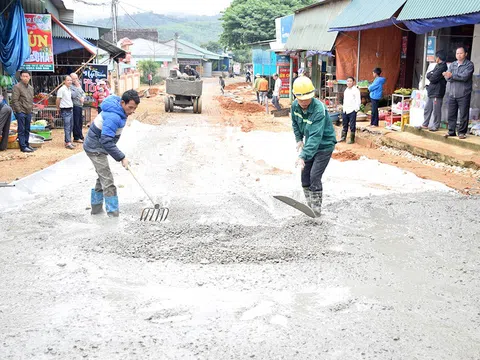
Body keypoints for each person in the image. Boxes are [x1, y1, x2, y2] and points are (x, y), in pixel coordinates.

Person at [83, 90, 140, 217]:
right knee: (108, 181)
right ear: (122, 103)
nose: (131, 111)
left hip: (99, 146)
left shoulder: (119, 110)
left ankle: (96, 210)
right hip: (95, 148)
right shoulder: (113, 117)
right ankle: (113, 215)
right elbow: (107, 141)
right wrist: (122, 157)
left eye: (134, 108)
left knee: (102, 177)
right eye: (130, 107)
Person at [291, 76, 336, 216]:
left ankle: (316, 210)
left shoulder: (319, 109)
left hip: (324, 146)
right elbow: (295, 123)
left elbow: (316, 136)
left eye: (307, 98)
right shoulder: (294, 106)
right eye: (301, 98)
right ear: (295, 96)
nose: (304, 102)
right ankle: (309, 206)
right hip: (310, 143)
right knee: (304, 177)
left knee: (314, 176)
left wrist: (303, 155)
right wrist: (299, 139)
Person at [443, 46, 475, 139]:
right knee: (451, 114)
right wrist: (449, 76)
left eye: (461, 53)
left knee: (463, 114)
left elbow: (465, 77)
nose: (459, 55)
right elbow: (447, 77)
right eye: (457, 53)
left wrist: (451, 75)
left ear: (466, 54)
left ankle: (461, 132)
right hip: (452, 93)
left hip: (464, 93)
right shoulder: (452, 64)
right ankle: (451, 131)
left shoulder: (469, 65)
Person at [421, 50, 447, 132]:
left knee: (436, 110)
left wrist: (432, 74)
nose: (435, 58)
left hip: (437, 92)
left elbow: (433, 78)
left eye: (436, 57)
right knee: (427, 108)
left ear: (438, 58)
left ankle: (436, 125)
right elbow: (428, 74)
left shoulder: (443, 67)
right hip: (432, 91)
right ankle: (425, 124)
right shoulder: (437, 66)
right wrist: (432, 74)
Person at [11, 70, 35, 153]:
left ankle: (27, 144)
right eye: (23, 76)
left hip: (28, 111)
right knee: (21, 129)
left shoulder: (31, 88)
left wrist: (31, 108)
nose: (25, 78)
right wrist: (19, 111)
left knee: (27, 129)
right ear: (21, 77)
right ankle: (23, 146)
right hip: (21, 111)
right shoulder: (17, 87)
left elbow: (30, 99)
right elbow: (14, 100)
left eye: (27, 76)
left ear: (29, 77)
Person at [56, 75, 75, 149]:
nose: (70, 81)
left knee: (70, 126)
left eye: (70, 80)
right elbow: (58, 99)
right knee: (67, 127)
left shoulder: (69, 89)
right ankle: (68, 142)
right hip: (65, 110)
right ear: (64, 81)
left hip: (70, 109)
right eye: (68, 80)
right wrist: (58, 108)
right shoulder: (62, 89)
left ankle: (68, 141)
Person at [340, 76, 361, 144]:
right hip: (345, 110)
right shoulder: (346, 90)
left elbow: (358, 101)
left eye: (350, 81)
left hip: (352, 110)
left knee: (352, 125)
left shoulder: (355, 90)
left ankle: (352, 139)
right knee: (344, 124)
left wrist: (356, 109)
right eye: (348, 81)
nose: (349, 82)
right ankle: (343, 137)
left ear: (353, 82)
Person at [70, 72, 85, 143]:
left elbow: (83, 93)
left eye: (76, 78)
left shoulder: (78, 85)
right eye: (74, 79)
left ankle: (80, 135)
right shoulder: (70, 86)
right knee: (75, 122)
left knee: (80, 122)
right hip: (74, 105)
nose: (76, 80)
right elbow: (73, 95)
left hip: (80, 105)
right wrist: (78, 87)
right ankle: (76, 137)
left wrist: (83, 97)